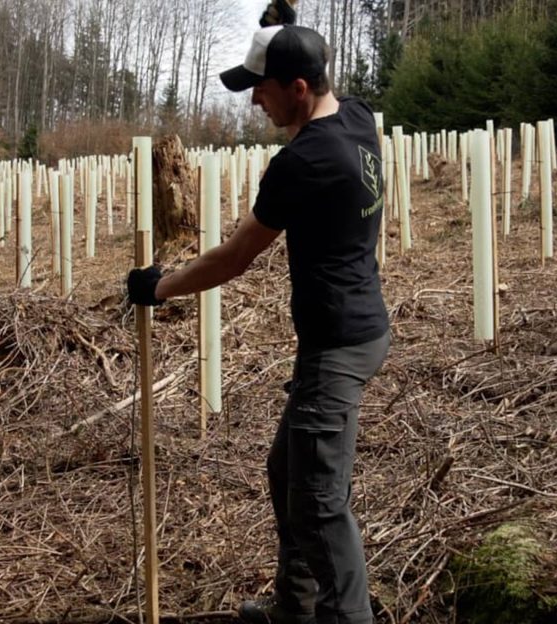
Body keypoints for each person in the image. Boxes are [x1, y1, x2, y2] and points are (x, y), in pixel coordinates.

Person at [127, 22, 389, 624]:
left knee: (321, 503)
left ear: (298, 87)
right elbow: (326, 85)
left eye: (261, 87)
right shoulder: (357, 117)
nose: (252, 99)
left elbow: (236, 257)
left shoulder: (300, 163)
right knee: (287, 471)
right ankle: (294, 607)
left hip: (337, 348)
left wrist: (160, 286)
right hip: (362, 329)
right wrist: (286, 24)